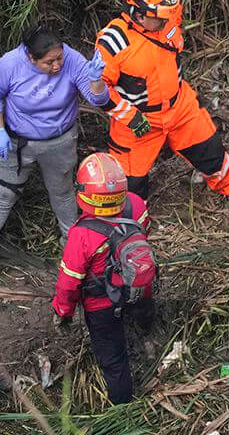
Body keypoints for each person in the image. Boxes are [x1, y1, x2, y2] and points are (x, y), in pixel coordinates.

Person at [93, 0, 229, 204]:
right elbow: (98, 89)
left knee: (210, 151)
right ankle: (133, 223)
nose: (167, 22)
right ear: (140, 15)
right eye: (161, 18)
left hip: (180, 107)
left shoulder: (168, 16)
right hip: (138, 119)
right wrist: (130, 117)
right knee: (131, 183)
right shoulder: (114, 42)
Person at [0, 27, 111, 287]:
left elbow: (98, 99)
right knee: (4, 193)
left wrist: (96, 80)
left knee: (62, 192)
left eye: (59, 58)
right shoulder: (10, 64)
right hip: (18, 142)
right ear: (30, 57)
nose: (57, 65)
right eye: (49, 62)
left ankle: (74, 247)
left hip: (59, 140)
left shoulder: (71, 60)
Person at [52, 153, 156, 405]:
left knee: (114, 359)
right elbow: (144, 234)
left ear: (83, 193)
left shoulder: (82, 234)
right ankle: (148, 331)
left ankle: (123, 408)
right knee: (143, 311)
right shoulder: (135, 204)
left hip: (102, 305)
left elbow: (69, 282)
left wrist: (62, 311)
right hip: (140, 285)